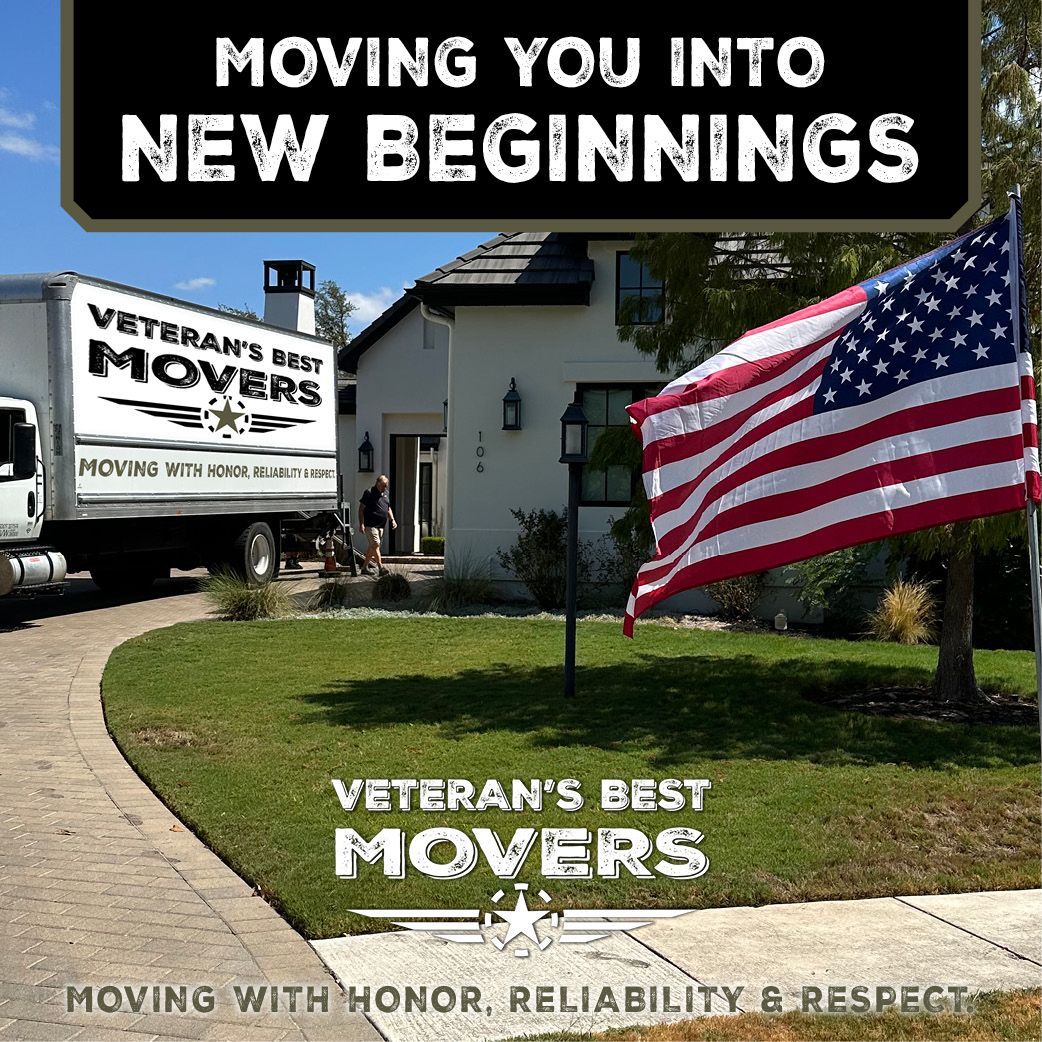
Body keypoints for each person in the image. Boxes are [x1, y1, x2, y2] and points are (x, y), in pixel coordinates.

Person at [359, 474, 397, 575]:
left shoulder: (386, 494)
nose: (386, 487)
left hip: (381, 526)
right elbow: (361, 509)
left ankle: (364, 568)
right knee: (376, 544)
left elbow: (388, 508)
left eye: (386, 485)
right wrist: (361, 524)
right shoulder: (369, 493)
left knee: (373, 547)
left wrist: (392, 520)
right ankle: (381, 567)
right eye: (384, 485)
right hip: (370, 525)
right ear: (378, 483)